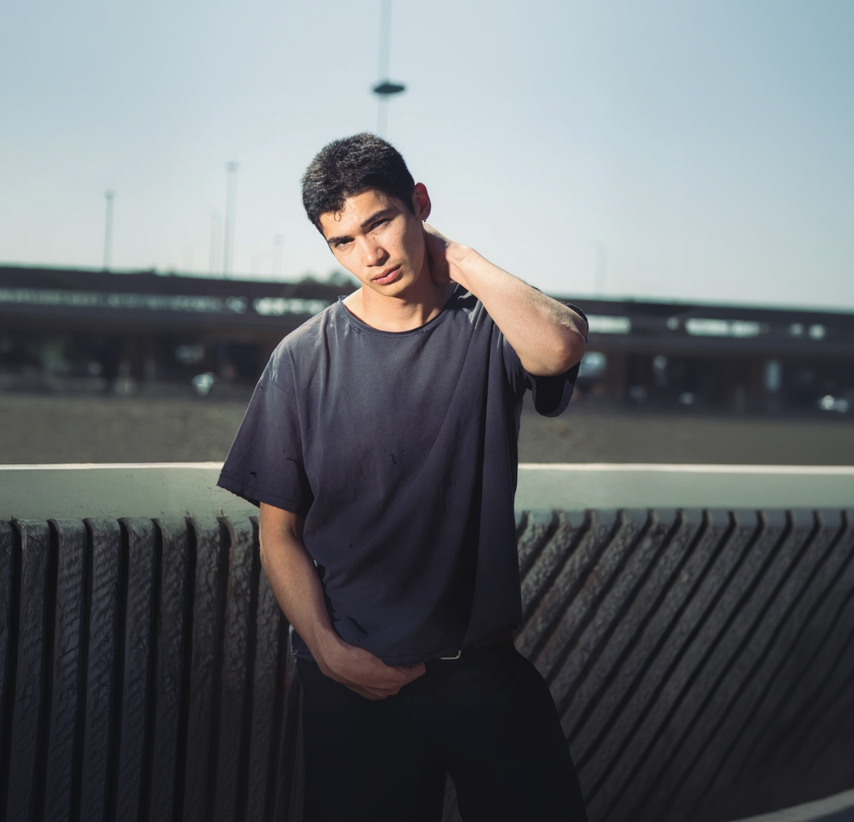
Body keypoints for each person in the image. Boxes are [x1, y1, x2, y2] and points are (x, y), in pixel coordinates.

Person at [217, 133, 590, 822]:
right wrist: (327, 652)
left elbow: (560, 345)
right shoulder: (301, 360)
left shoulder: (486, 328)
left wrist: (460, 257)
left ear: (419, 203)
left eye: (381, 222)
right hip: (354, 681)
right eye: (343, 241)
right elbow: (279, 534)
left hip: (482, 671)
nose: (371, 254)